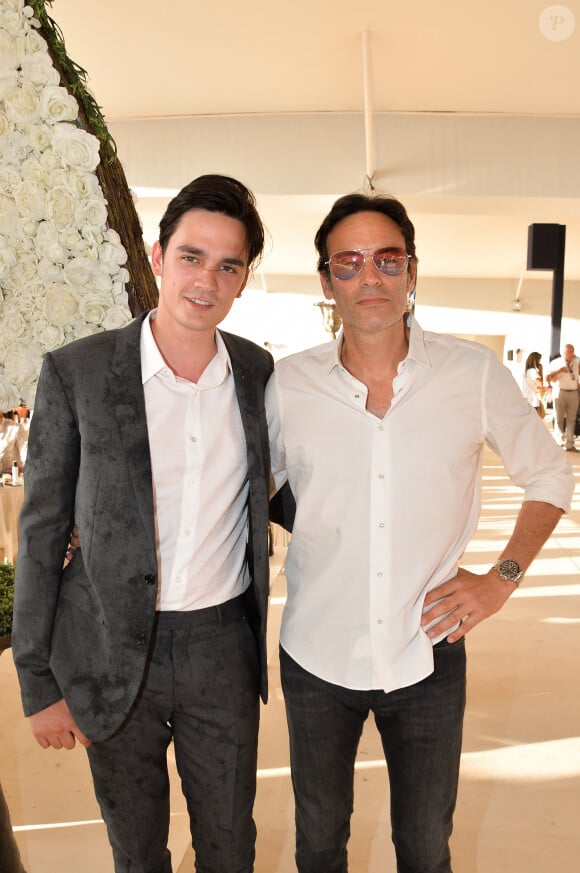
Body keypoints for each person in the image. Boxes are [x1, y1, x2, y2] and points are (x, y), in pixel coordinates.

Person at [265, 192, 574, 873]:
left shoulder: (472, 375)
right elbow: (237, 489)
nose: (368, 277)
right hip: (317, 652)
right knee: (318, 846)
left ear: (411, 272)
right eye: (347, 263)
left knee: (425, 848)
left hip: (429, 651)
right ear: (325, 282)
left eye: (386, 259)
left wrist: (501, 580)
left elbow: (551, 475)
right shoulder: (287, 386)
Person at [12, 175, 273, 873]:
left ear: (244, 278)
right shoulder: (79, 372)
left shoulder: (257, 373)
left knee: (229, 846)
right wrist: (37, 681)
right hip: (107, 645)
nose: (206, 280)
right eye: (191, 256)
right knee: (136, 851)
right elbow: (39, 531)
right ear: (157, 257)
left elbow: (283, 492)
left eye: (228, 265)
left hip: (221, 648)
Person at [546, 343, 580, 450]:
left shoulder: (577, 362)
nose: (570, 353)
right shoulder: (556, 363)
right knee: (559, 418)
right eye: (568, 351)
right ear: (563, 352)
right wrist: (559, 371)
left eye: (572, 351)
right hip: (560, 392)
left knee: (572, 419)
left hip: (573, 392)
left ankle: (570, 443)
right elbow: (547, 378)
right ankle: (558, 441)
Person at [521, 350, 546, 416]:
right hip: (533, 401)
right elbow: (540, 384)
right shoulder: (533, 371)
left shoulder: (526, 371)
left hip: (527, 399)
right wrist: (541, 372)